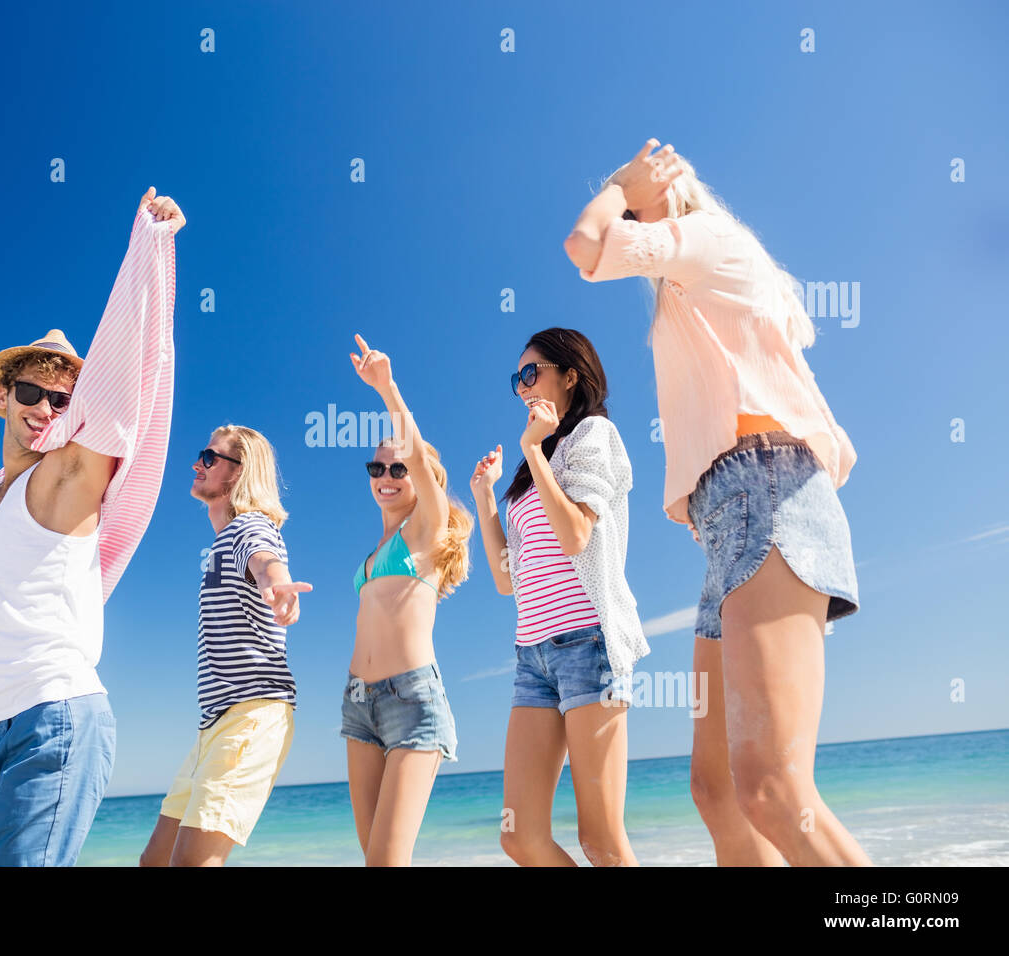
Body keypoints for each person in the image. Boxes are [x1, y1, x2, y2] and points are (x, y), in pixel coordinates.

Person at [565, 139, 869, 866]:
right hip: (730, 524)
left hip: (764, 497)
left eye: (638, 207)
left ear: (665, 192)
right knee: (719, 791)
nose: (629, 218)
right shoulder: (690, 285)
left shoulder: (709, 239)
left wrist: (617, 184)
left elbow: (587, 245)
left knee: (772, 787)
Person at [0, 188, 185, 866]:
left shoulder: (65, 480)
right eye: (31, 392)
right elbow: (22, 604)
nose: (45, 407)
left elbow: (125, 382)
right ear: (4, 396)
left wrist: (149, 250)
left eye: (62, 399)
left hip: (55, 723)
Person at [471, 327, 648, 866]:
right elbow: (508, 579)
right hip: (533, 655)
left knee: (601, 839)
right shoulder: (533, 468)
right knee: (519, 836)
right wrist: (485, 500)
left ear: (570, 375)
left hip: (588, 644)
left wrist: (532, 449)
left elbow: (575, 536)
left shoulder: (593, 435)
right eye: (516, 378)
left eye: (532, 372)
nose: (523, 387)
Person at [138, 426, 311, 866]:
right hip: (214, 724)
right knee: (153, 862)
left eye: (209, 457)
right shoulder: (221, 541)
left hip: (252, 715)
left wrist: (277, 583)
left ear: (239, 473)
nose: (197, 464)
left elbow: (265, 556)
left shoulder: (248, 528)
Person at [343, 333, 472, 866]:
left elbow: (417, 453)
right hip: (356, 704)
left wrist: (386, 389)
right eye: (377, 469)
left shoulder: (426, 528)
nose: (387, 477)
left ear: (424, 482)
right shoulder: (376, 550)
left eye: (398, 469)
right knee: (371, 857)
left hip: (411, 700)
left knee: (386, 861)